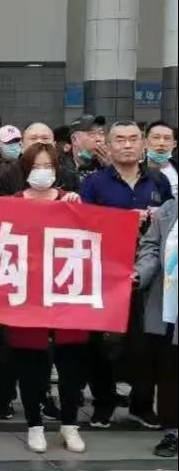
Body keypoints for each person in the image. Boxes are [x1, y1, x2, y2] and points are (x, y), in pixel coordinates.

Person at [81, 120, 174, 431]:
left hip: (151, 272)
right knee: (102, 342)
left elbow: (169, 223)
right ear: (109, 145)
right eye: (119, 140)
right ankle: (103, 402)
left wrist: (154, 219)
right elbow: (84, 222)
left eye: (133, 139)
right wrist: (122, 221)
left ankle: (141, 404)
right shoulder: (94, 182)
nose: (127, 145)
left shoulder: (158, 180)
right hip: (106, 269)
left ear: (143, 144)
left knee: (146, 341)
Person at [7, 143, 87, 454]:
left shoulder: (70, 201)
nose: (42, 172)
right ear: (26, 170)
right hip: (27, 296)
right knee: (31, 364)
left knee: (72, 364)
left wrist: (79, 209)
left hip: (67, 292)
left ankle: (70, 424)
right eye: (36, 167)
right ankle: (34, 425)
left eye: (48, 166)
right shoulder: (13, 203)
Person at [134, 196, 178, 458]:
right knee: (170, 368)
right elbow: (150, 247)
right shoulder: (168, 210)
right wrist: (140, 272)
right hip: (170, 300)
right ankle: (172, 431)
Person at [59, 115, 106, 191]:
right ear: (74, 139)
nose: (98, 139)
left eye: (101, 133)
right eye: (92, 134)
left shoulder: (109, 165)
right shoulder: (60, 167)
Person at [145, 122, 178, 197]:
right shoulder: (136, 172)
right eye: (156, 138)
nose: (161, 143)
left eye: (167, 138)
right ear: (145, 142)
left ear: (174, 144)